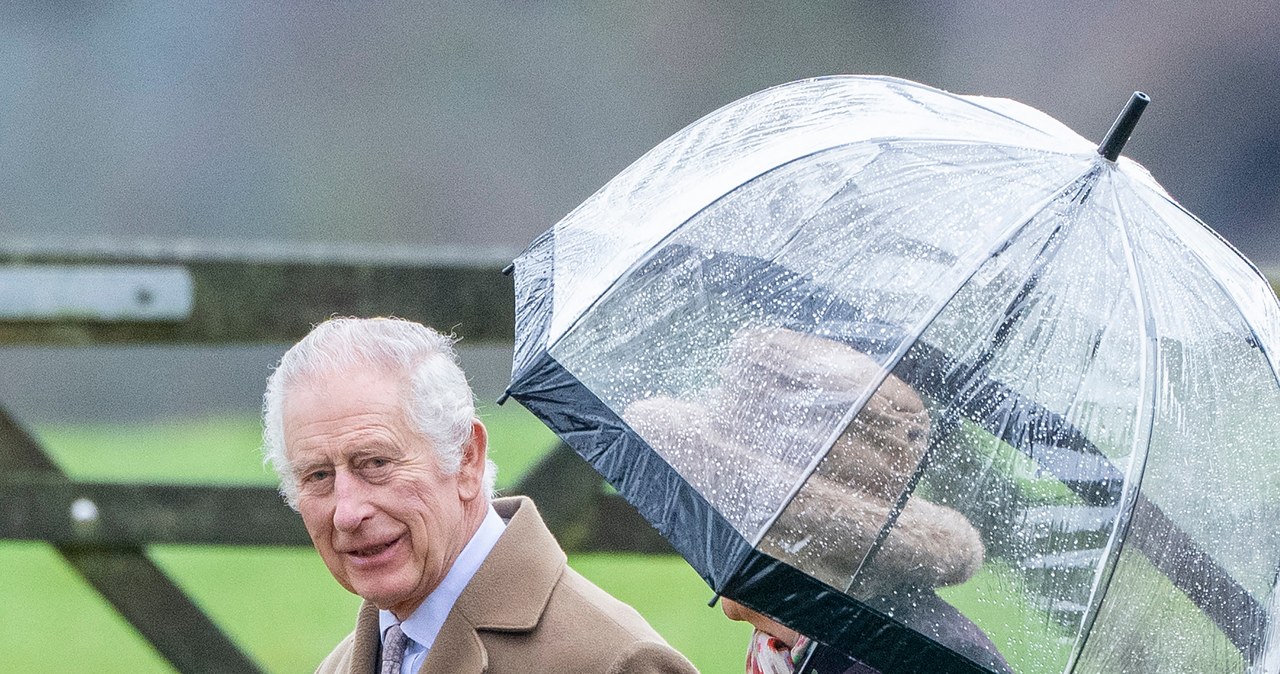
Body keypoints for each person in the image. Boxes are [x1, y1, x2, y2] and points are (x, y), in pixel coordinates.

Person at [261, 316, 697, 673]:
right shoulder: (341, 666)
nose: (347, 513)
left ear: (466, 458)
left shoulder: (613, 663)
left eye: (375, 464)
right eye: (318, 475)